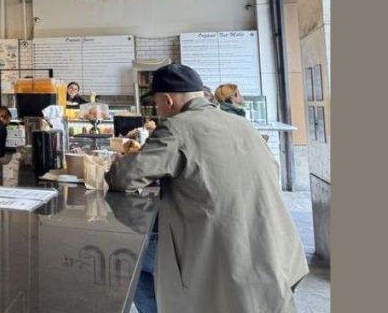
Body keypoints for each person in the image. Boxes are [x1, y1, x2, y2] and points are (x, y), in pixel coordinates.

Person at [105, 64, 307, 313]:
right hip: (275, 247)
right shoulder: (242, 124)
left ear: (167, 100)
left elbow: (125, 177)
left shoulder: (176, 127)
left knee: (127, 257)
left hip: (223, 253)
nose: (158, 109)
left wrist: (115, 166)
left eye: (157, 103)